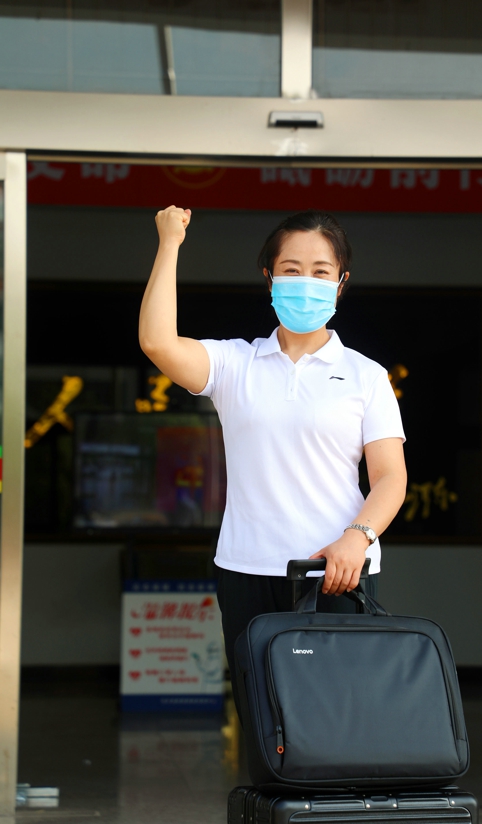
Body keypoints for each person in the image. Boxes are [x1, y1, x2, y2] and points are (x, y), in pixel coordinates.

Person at [139, 206, 407, 693]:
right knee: (262, 720)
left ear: (341, 283)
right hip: (247, 569)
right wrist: (170, 242)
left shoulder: (366, 375)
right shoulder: (234, 363)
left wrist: (359, 536)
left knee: (339, 720)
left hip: (338, 571)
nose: (306, 281)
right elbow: (158, 343)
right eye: (291, 270)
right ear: (269, 279)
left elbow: (391, 476)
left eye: (321, 271)